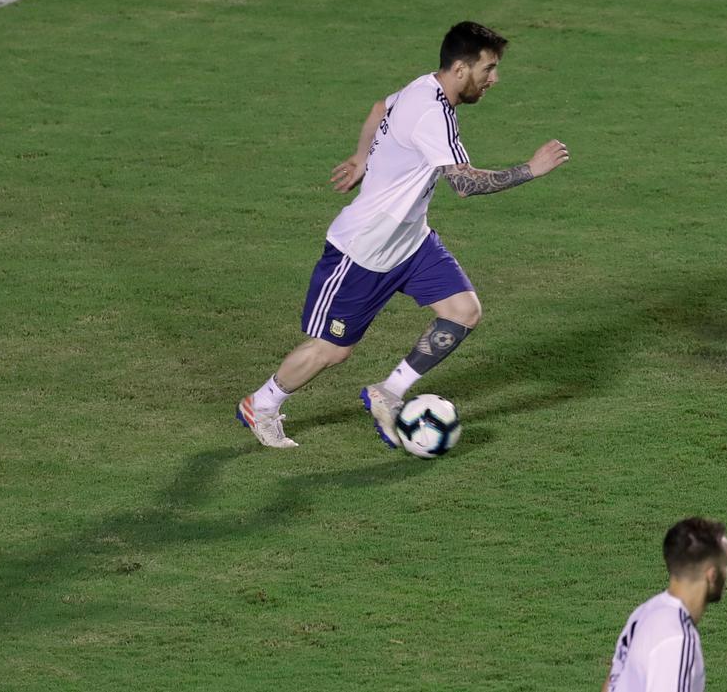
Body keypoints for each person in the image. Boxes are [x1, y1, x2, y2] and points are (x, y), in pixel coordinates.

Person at [237, 22, 570, 449]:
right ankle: (261, 404)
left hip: (411, 242)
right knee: (332, 350)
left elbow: (380, 108)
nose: (494, 79)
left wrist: (362, 158)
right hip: (363, 250)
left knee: (463, 312)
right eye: (488, 69)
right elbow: (465, 184)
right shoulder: (433, 113)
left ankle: (388, 392)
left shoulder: (424, 88)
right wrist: (531, 169)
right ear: (459, 69)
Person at [603, 517, 727, 692]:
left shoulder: (645, 612)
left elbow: (612, 685)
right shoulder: (677, 638)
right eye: (726, 564)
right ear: (712, 575)